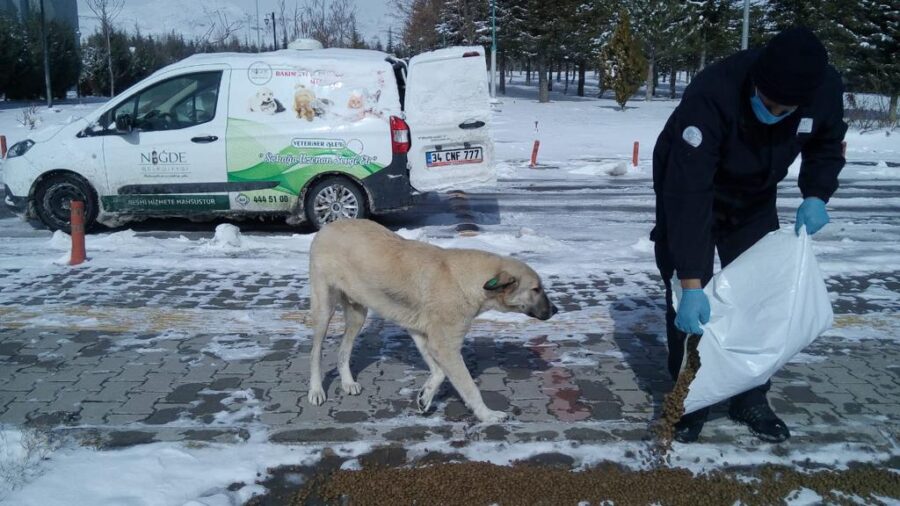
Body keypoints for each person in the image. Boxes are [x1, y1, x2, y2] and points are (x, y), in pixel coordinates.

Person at [651, 26, 847, 443]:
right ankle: (690, 397)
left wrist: (817, 194)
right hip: (689, 182)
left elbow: (827, 144)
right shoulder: (713, 93)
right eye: (768, 103)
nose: (774, 113)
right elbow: (688, 194)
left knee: (758, 295)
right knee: (688, 297)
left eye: (784, 109)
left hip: (756, 194)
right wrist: (691, 281)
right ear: (756, 80)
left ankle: (750, 396)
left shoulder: (824, 89)